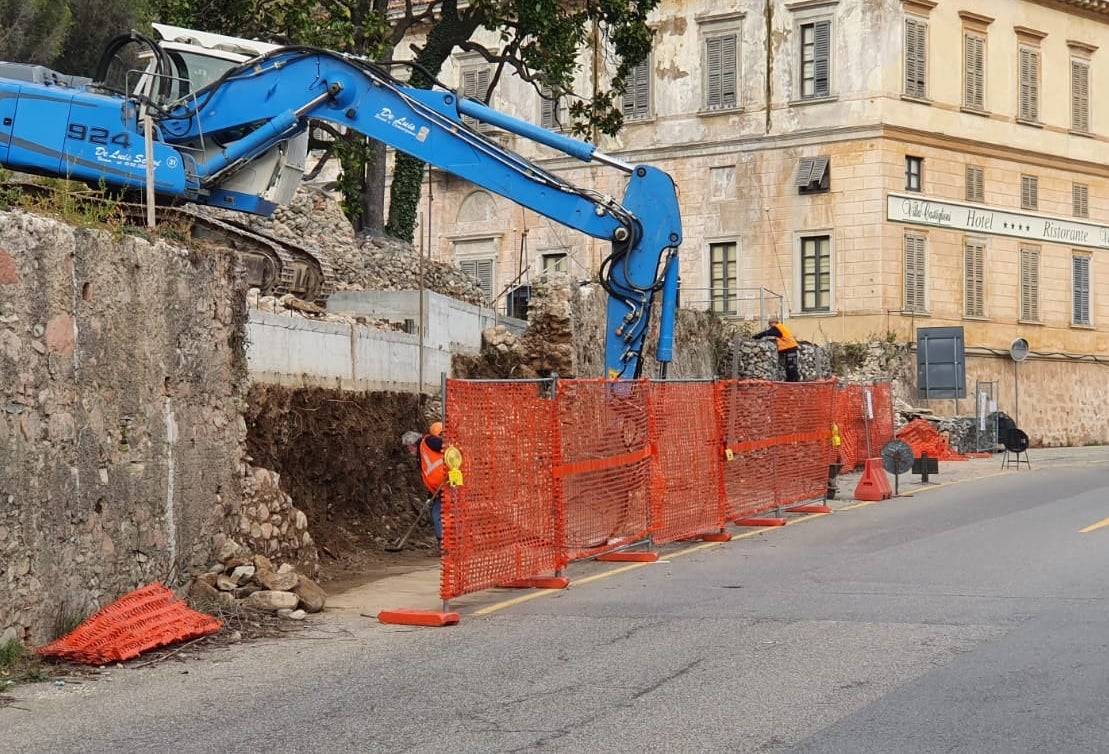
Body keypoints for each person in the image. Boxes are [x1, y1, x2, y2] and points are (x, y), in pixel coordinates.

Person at [402, 422, 446, 554]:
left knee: (438, 515)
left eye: (409, 447)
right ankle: (446, 545)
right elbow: (430, 477)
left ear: (413, 443)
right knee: (439, 515)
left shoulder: (428, 441)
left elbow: (448, 446)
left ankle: (444, 546)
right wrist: (429, 498)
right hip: (439, 488)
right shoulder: (422, 454)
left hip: (448, 483)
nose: (409, 450)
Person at [754, 317, 801, 382]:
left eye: (770, 324)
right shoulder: (781, 327)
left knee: (791, 365)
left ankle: (793, 381)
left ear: (773, 323)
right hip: (791, 347)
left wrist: (755, 337)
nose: (769, 326)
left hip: (790, 348)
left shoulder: (777, 328)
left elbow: (767, 333)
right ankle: (792, 380)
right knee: (790, 365)